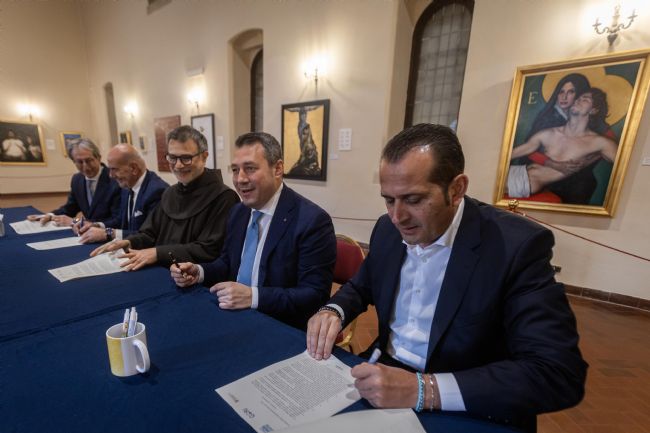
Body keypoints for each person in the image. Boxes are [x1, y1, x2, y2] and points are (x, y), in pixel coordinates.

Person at [306, 124, 587, 431]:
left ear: (456, 189)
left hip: (464, 400)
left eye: (414, 199)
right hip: (383, 374)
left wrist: (425, 390)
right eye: (389, 199)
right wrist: (334, 310)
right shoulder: (387, 229)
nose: (397, 217)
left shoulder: (516, 246)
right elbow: (363, 285)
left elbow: (557, 372)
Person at [170, 132, 336, 329]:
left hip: (280, 326)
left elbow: (314, 295)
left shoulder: (312, 221)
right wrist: (199, 272)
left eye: (250, 168)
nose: (240, 179)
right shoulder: (237, 212)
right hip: (233, 317)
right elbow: (227, 263)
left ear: (278, 169)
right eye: (235, 170)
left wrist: (253, 297)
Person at [90, 125, 239, 271]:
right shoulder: (170, 193)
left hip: (191, 279)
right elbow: (149, 233)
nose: (178, 165)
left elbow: (209, 249)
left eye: (186, 158)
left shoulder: (224, 197)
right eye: (172, 158)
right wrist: (129, 242)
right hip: (159, 270)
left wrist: (157, 253)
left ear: (204, 157)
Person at [507, 88, 617, 200]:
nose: (577, 101)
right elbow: (511, 154)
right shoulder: (549, 133)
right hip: (517, 172)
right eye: (578, 98)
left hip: (526, 182)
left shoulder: (599, 142)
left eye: (585, 99)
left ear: (593, 110)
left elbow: (621, 165)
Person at [78, 144, 168, 244]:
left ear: (134, 168)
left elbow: (149, 236)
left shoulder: (157, 191)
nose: (111, 175)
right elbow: (121, 220)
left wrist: (108, 233)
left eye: (114, 169)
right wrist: (98, 225)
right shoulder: (127, 185)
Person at [27, 138, 121, 228]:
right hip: (87, 233)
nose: (85, 167)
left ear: (99, 158)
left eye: (89, 160)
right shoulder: (77, 179)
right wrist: (50, 216)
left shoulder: (116, 180)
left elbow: (118, 221)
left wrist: (75, 222)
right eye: (80, 162)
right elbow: (70, 208)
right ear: (74, 162)